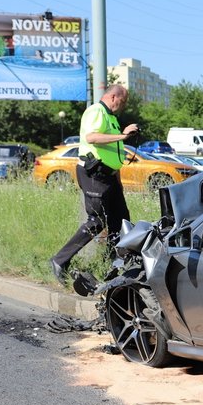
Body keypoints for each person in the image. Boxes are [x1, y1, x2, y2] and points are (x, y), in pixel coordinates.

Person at [50, 85, 138, 285]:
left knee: (121, 221)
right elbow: (92, 137)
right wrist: (123, 136)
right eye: (122, 102)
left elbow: (113, 154)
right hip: (94, 175)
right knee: (97, 221)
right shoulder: (96, 111)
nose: (122, 106)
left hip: (110, 177)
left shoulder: (112, 119)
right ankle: (59, 260)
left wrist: (119, 181)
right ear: (113, 96)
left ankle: (113, 267)